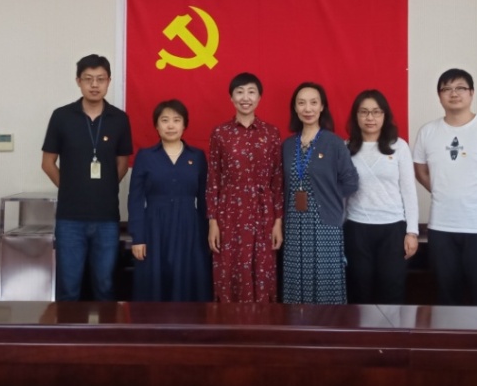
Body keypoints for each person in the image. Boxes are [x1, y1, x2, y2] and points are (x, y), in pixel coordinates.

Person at [412, 68, 477, 306]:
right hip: (441, 226)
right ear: (439, 95)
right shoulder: (428, 131)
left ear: (471, 93)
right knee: (445, 294)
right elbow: (420, 171)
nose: (454, 93)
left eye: (460, 88)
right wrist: (442, 192)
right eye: (446, 89)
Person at [41, 54, 133, 301]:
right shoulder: (61, 116)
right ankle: (68, 328)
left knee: (105, 286)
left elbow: (123, 164)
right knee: (69, 287)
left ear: (109, 81)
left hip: (107, 218)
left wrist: (104, 187)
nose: (94, 85)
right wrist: (71, 188)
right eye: (88, 79)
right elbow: (47, 163)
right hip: (70, 218)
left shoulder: (119, 119)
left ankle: (105, 328)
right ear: (78, 81)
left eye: (100, 79)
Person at [206, 72, 284, 303]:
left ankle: (262, 321)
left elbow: (277, 180)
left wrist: (278, 222)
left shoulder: (271, 133)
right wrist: (212, 222)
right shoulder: (220, 133)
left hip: (263, 211)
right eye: (239, 92)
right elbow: (213, 179)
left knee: (263, 268)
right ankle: (229, 321)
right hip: (230, 212)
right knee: (229, 267)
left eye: (251, 92)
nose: (245, 97)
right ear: (231, 98)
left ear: (259, 97)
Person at [281, 82, 358, 304]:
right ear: (295, 108)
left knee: (326, 281)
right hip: (294, 224)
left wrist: (329, 197)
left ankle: (328, 324)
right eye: (302, 103)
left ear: (322, 106)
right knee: (297, 280)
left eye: (313, 103)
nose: (308, 108)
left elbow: (351, 182)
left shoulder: (334, 143)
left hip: (325, 223)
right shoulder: (287, 145)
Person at [127, 99, 211, 302]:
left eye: (176, 120)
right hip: (154, 228)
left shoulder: (197, 157)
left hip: (189, 228)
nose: (171, 125)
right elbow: (135, 199)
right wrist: (138, 237)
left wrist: (206, 234)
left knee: (188, 282)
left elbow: (204, 199)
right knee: (154, 283)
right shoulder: (145, 156)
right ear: (156, 125)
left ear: (184, 125)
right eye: (165, 120)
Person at [343, 89, 419, 304]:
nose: (370, 117)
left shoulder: (399, 146)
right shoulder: (346, 148)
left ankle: (391, 328)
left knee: (391, 290)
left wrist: (412, 232)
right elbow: (342, 194)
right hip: (357, 227)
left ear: (385, 115)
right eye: (364, 112)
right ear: (356, 116)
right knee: (359, 290)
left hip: (392, 228)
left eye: (376, 112)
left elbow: (409, 191)